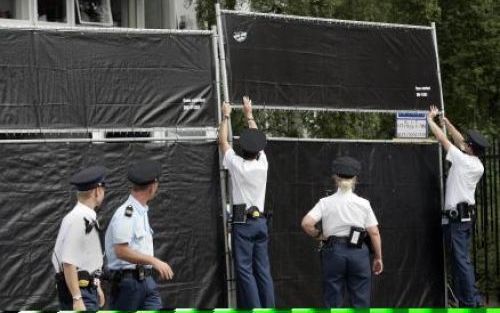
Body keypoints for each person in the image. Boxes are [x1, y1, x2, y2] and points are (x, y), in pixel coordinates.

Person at [427, 105, 489, 307]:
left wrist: (430, 121)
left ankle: (470, 301)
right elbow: (460, 141)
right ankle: (466, 299)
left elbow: (445, 141)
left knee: (461, 261)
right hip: (464, 219)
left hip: (456, 220)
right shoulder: (476, 163)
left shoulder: (463, 161)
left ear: (470, 149)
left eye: (468, 144)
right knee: (462, 260)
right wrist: (447, 123)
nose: (465, 144)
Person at [301, 156, 383, 307]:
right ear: (355, 179)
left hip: (333, 252)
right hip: (358, 253)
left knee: (333, 302)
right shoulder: (363, 204)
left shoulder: (325, 203)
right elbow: (374, 233)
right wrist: (378, 257)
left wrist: (320, 236)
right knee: (361, 302)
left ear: (335, 178)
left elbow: (306, 223)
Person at [219, 96, 275, 308]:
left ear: (242, 148)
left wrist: (226, 115)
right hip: (260, 222)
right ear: (258, 150)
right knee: (263, 270)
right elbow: (259, 140)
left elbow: (223, 142)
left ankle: (256, 309)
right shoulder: (263, 164)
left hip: (242, 223)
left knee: (244, 270)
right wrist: (249, 114)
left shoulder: (237, 164)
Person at [104, 159, 174, 310]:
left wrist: (150, 266)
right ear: (152, 187)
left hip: (146, 280)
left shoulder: (140, 212)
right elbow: (121, 251)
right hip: (129, 284)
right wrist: (154, 261)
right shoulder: (126, 213)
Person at [52, 165, 107, 310]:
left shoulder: (85, 218)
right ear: (97, 191)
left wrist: (97, 286)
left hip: (87, 290)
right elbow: (69, 262)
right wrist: (77, 298)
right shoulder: (78, 219)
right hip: (80, 294)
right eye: (103, 188)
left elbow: (87, 259)